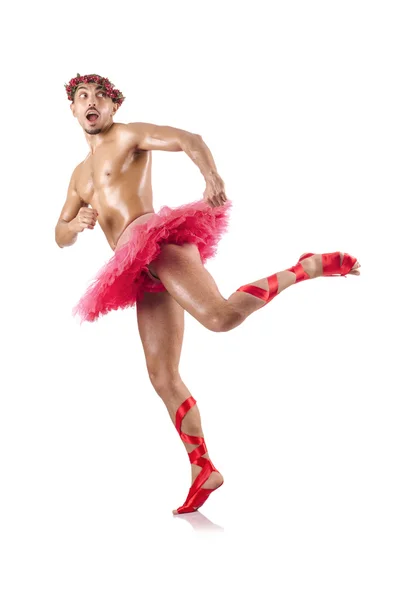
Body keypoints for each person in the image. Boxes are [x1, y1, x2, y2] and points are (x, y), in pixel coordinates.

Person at [55, 73, 361, 515]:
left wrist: (210, 174)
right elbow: (58, 232)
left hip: (154, 242)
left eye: (100, 96)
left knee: (219, 317)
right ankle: (203, 467)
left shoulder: (127, 135)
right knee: (161, 376)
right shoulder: (79, 177)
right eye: (82, 97)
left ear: (113, 107)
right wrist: (74, 226)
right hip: (134, 269)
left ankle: (305, 267)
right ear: (72, 109)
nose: (91, 102)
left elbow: (187, 138)